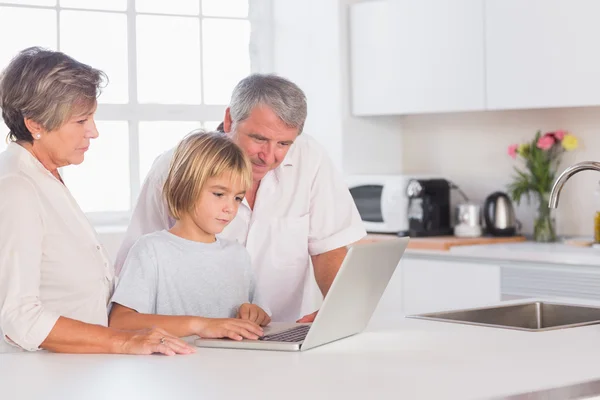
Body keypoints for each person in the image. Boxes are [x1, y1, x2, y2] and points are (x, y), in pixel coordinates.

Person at [115, 74, 367, 323]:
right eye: (259, 139)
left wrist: (338, 312)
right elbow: (133, 274)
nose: (268, 156)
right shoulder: (176, 167)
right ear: (229, 120)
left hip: (269, 334)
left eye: (283, 144)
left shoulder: (310, 159)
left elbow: (328, 247)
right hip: (176, 344)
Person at [0, 47, 194, 355]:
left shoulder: (46, 175)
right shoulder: (16, 188)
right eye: (80, 121)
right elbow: (18, 317)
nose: (94, 131)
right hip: (41, 378)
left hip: (81, 369)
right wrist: (125, 341)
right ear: (35, 124)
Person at [109, 131, 270, 341]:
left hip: (231, 370)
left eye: (238, 198)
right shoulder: (151, 250)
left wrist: (255, 314)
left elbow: (261, 316)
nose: (230, 208)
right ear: (186, 186)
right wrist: (200, 325)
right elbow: (120, 322)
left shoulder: (238, 256)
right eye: (219, 194)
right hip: (173, 370)